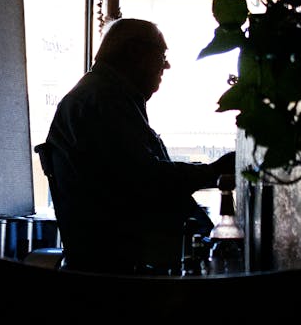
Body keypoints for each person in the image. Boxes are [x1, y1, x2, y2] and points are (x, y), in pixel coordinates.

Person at [43, 17, 236, 275]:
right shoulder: (102, 102)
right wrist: (213, 173)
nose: (166, 65)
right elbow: (145, 178)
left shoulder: (101, 97)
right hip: (123, 269)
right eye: (161, 54)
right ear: (136, 53)